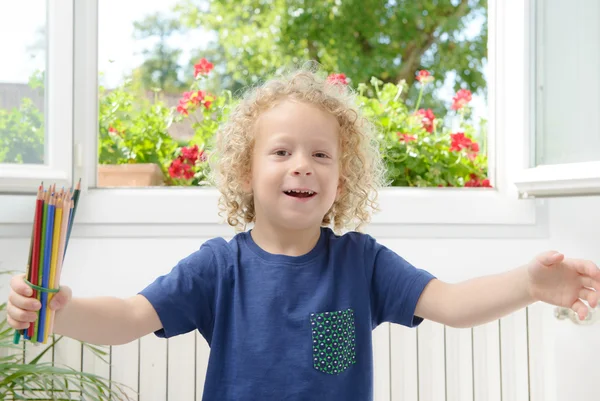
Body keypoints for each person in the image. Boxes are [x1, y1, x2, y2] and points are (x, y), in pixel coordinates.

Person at [6, 65, 600, 401]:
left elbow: (451, 302)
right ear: (246, 171)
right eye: (282, 151)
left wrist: (529, 283)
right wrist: (61, 309)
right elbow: (130, 318)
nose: (303, 165)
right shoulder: (219, 268)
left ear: (342, 180)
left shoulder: (361, 263)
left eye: (321, 154)